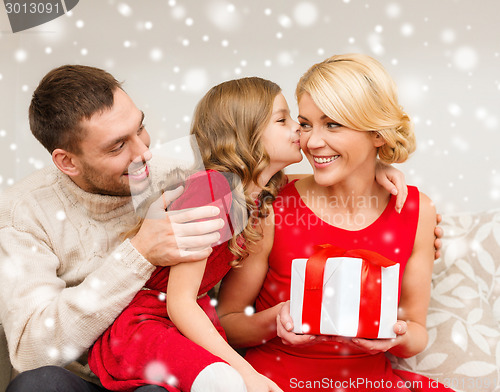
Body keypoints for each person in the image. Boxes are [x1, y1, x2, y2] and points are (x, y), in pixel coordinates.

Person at [86, 76, 415, 392]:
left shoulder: (257, 194)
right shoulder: (211, 190)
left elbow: (330, 176)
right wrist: (246, 372)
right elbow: (180, 303)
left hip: (177, 327)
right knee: (229, 383)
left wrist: (378, 168)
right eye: (283, 120)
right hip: (145, 326)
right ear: (248, 135)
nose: (299, 131)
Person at [217, 54, 451, 391]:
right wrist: (277, 319)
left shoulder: (418, 210)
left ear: (378, 133)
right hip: (277, 380)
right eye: (306, 124)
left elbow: (416, 331)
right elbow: (228, 322)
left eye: (333, 124)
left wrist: (393, 338)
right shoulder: (273, 203)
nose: (311, 142)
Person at [0, 65, 230, 392]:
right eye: (117, 146)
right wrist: (139, 254)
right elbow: (31, 353)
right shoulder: (24, 211)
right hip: (84, 379)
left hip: (161, 369)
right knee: (37, 385)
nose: (144, 153)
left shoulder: (175, 175)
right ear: (68, 162)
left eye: (141, 128)